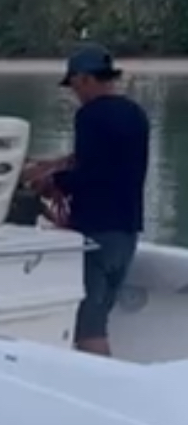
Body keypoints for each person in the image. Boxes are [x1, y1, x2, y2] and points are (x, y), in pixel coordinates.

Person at [23, 44, 149, 356]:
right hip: (126, 231)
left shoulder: (90, 116)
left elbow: (90, 173)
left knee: (87, 327)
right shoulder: (135, 114)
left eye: (74, 85)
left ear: (85, 79)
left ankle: (102, 382)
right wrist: (55, 164)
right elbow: (108, 162)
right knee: (101, 314)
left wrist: (51, 182)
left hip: (95, 231)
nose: (74, 93)